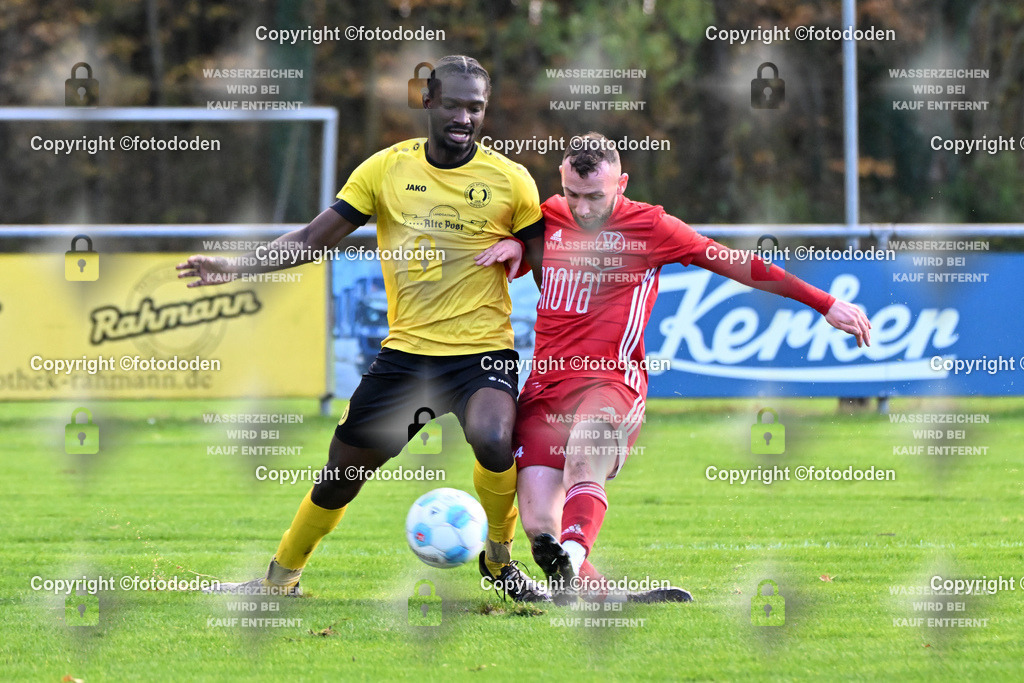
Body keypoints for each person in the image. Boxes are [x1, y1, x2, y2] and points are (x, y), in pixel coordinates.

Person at [177, 55, 549, 602]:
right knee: (341, 475)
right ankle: (280, 580)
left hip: (481, 353)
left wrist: (535, 260)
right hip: (407, 357)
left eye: (476, 107)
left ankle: (499, 560)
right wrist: (236, 267)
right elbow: (312, 240)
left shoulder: (512, 181)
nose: (464, 117)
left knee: (494, 439)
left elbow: (548, 268)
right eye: (453, 104)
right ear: (428, 101)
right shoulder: (385, 170)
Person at [514, 132, 872, 604]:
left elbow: (739, 264)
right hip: (545, 387)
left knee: (585, 455)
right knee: (540, 526)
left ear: (622, 184)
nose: (581, 208)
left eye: (595, 196)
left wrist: (824, 303)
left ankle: (575, 556)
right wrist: (511, 248)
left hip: (610, 380)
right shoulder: (546, 216)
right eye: (572, 194)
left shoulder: (651, 226)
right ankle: (602, 596)